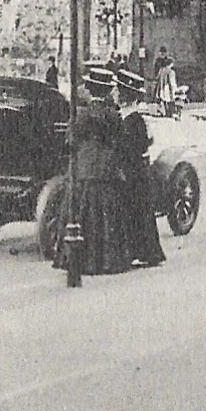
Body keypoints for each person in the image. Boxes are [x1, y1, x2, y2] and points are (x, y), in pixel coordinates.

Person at [52, 66, 139, 275]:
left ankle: (77, 259)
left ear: (90, 90)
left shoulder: (81, 115)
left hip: (83, 169)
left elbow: (70, 141)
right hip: (107, 170)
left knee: (80, 212)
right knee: (107, 215)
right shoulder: (114, 116)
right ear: (107, 91)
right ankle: (106, 260)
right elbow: (121, 144)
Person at [113, 67, 166, 268]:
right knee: (135, 213)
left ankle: (143, 252)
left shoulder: (134, 120)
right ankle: (139, 251)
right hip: (133, 171)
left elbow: (134, 147)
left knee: (136, 212)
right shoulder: (127, 117)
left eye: (118, 91)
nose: (115, 94)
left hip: (134, 173)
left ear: (127, 95)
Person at [154, 52, 180, 119]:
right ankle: (171, 113)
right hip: (168, 88)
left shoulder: (161, 70)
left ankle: (166, 112)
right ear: (170, 64)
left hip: (161, 88)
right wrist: (176, 89)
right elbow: (172, 82)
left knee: (164, 101)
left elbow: (157, 78)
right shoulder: (171, 72)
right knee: (170, 101)